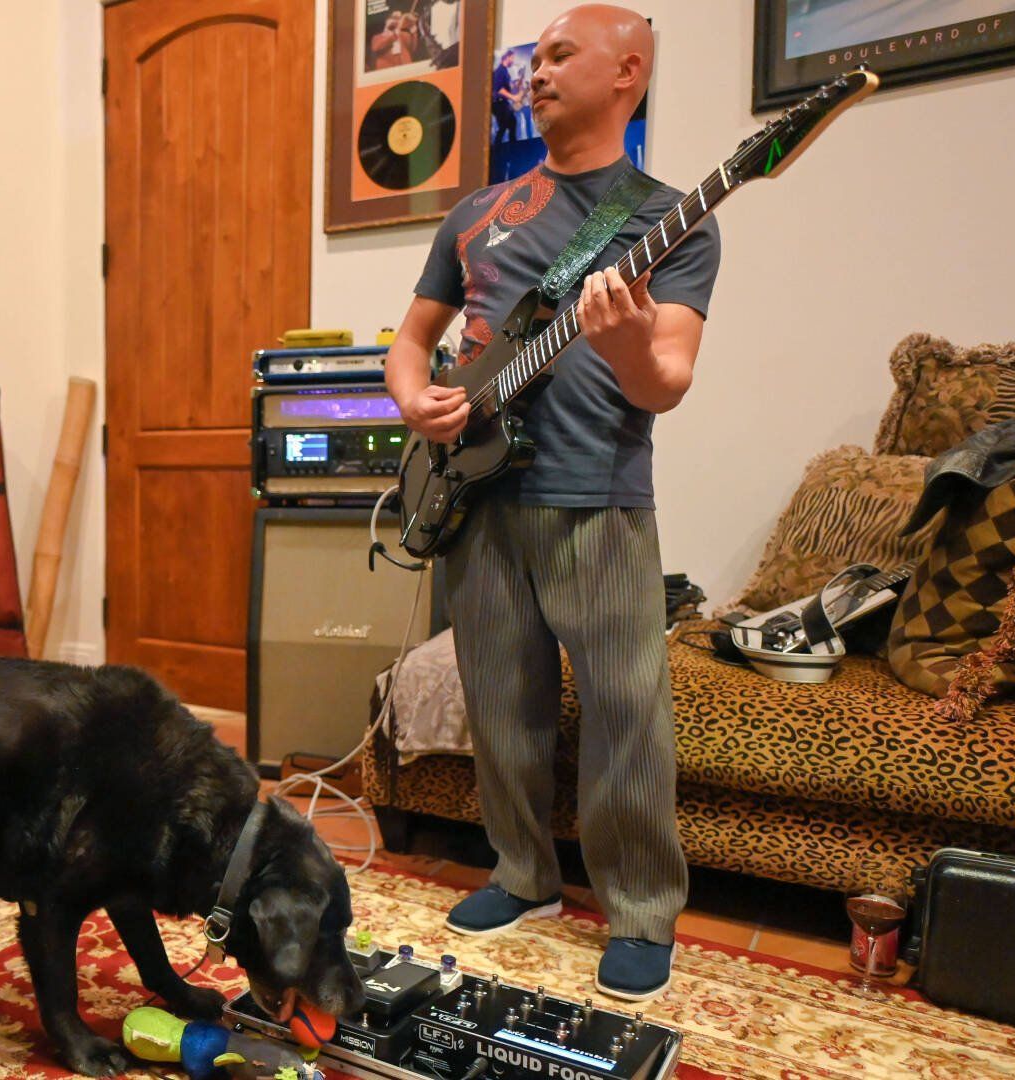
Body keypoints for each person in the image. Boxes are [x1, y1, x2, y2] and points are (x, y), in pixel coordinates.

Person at [383, 4, 720, 1002]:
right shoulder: (474, 214)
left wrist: (624, 340)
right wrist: (413, 399)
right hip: (477, 494)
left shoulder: (672, 219)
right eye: (536, 57)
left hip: (599, 496)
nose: (536, 70)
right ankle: (523, 875)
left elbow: (666, 381)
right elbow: (412, 339)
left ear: (628, 72)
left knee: (627, 713)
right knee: (500, 703)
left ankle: (642, 910)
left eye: (562, 53)